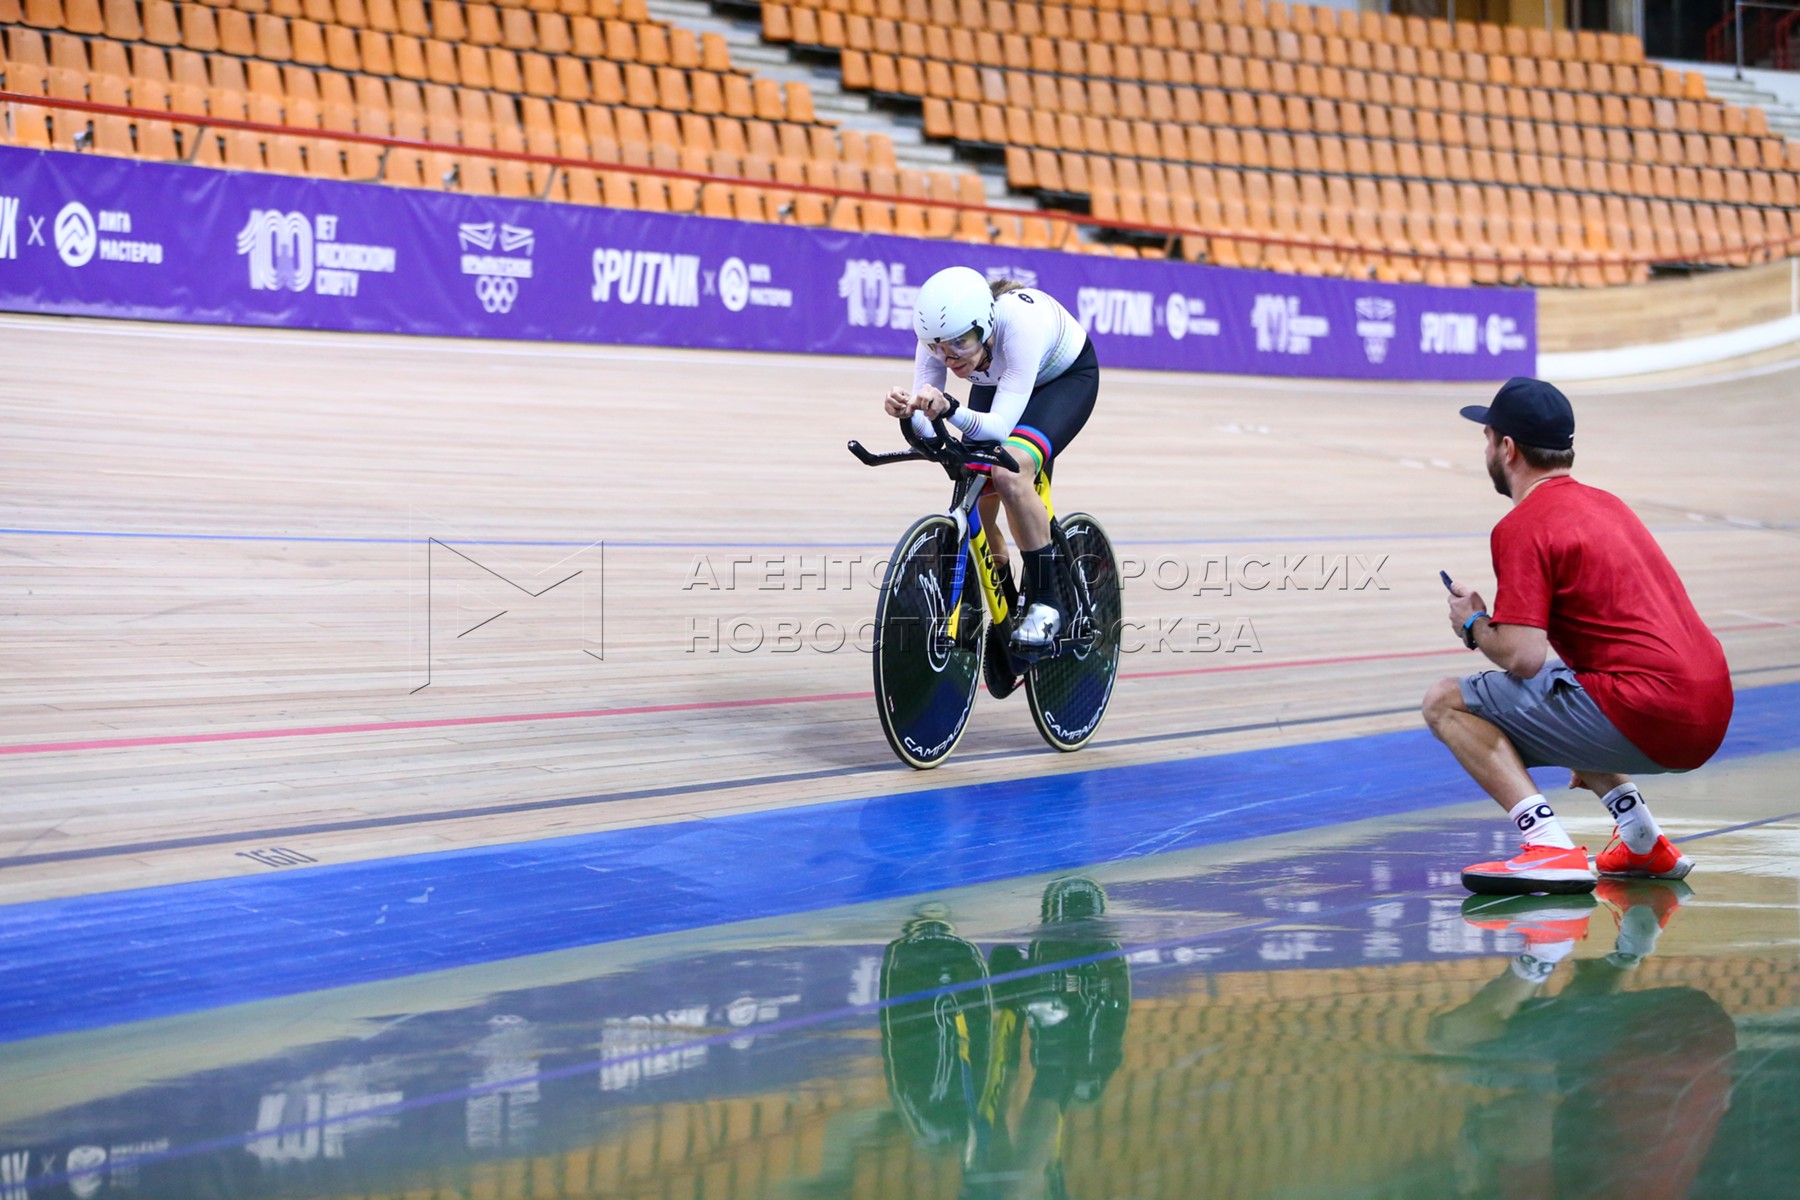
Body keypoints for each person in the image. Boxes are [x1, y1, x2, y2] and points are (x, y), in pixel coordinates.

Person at [1421, 377, 1734, 895]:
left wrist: (1474, 624)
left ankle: (1547, 846)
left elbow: (1520, 656)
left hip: (1652, 714)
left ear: (1507, 447)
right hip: (1709, 705)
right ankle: (1640, 840)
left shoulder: (1523, 524)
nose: (1485, 451)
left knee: (1445, 702)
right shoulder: (1608, 504)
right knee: (1563, 680)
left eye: (1487, 439)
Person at [883, 266, 1097, 695]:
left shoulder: (1018, 324)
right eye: (938, 348)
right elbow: (932, 428)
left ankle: (1050, 604)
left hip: (1061, 381)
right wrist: (912, 413)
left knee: (1009, 470)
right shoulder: (942, 341)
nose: (949, 357)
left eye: (959, 343)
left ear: (985, 325)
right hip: (1000, 377)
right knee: (974, 484)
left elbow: (998, 428)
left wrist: (947, 409)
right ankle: (1007, 604)